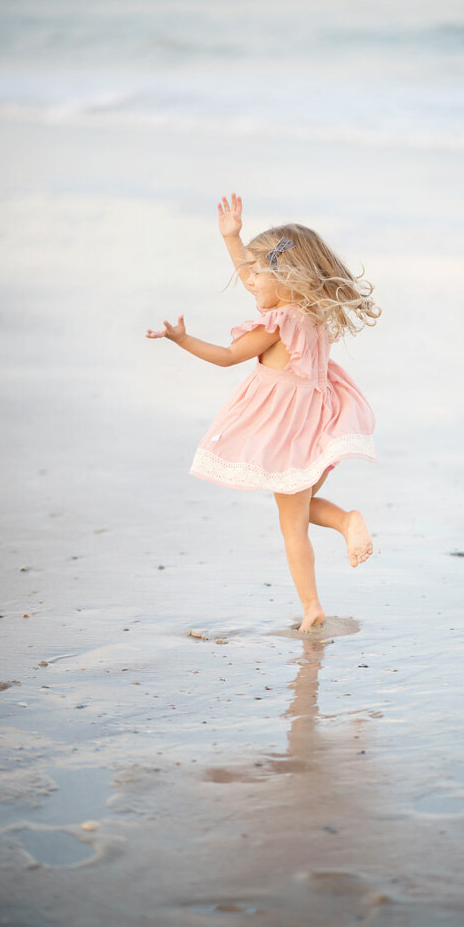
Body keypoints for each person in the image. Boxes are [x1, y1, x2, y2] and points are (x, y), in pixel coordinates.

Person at [146, 194, 380, 632]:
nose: (248, 280)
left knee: (292, 525)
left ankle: (313, 603)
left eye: (258, 272)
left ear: (287, 278)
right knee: (301, 506)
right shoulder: (310, 313)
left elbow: (226, 356)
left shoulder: (275, 325)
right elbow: (259, 281)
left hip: (288, 431)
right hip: (320, 420)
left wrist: (181, 339)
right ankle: (344, 524)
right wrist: (233, 238)